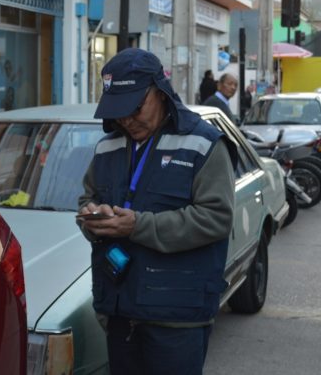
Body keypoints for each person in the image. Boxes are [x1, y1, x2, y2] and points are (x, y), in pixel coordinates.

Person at [77, 48, 237, 375]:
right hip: (119, 312)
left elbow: (216, 219)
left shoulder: (203, 143)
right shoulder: (107, 146)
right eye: (118, 111)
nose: (126, 119)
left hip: (176, 320)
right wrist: (92, 218)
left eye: (134, 108)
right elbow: (87, 198)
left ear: (160, 92)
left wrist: (136, 226)